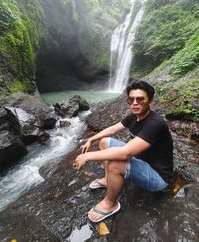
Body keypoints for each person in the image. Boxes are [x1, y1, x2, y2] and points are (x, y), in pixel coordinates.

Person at [74, 80, 174, 223]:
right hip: (142, 161)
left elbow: (125, 154)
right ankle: (109, 180)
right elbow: (113, 129)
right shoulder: (134, 116)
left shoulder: (155, 124)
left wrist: (88, 156)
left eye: (140, 99)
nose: (134, 103)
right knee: (104, 142)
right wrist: (92, 139)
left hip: (159, 178)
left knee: (116, 163)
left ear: (150, 100)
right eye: (131, 99)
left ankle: (110, 204)